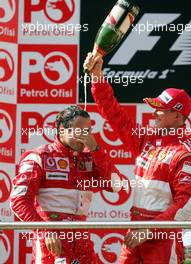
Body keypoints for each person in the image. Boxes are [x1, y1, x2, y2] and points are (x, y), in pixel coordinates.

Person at [83, 54, 191, 264]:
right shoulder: (146, 140)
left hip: (164, 237)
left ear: (178, 117)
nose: (154, 113)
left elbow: (185, 208)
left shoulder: (188, 155)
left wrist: (150, 230)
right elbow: (114, 115)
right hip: (136, 230)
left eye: (161, 109)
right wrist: (97, 77)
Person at [10, 105, 122, 264]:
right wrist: (44, 232)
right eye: (79, 131)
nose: (84, 136)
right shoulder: (38, 157)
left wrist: (96, 149)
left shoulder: (90, 158)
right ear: (62, 129)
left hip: (82, 241)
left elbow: (116, 186)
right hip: (52, 241)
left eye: (88, 131)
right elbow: (19, 200)